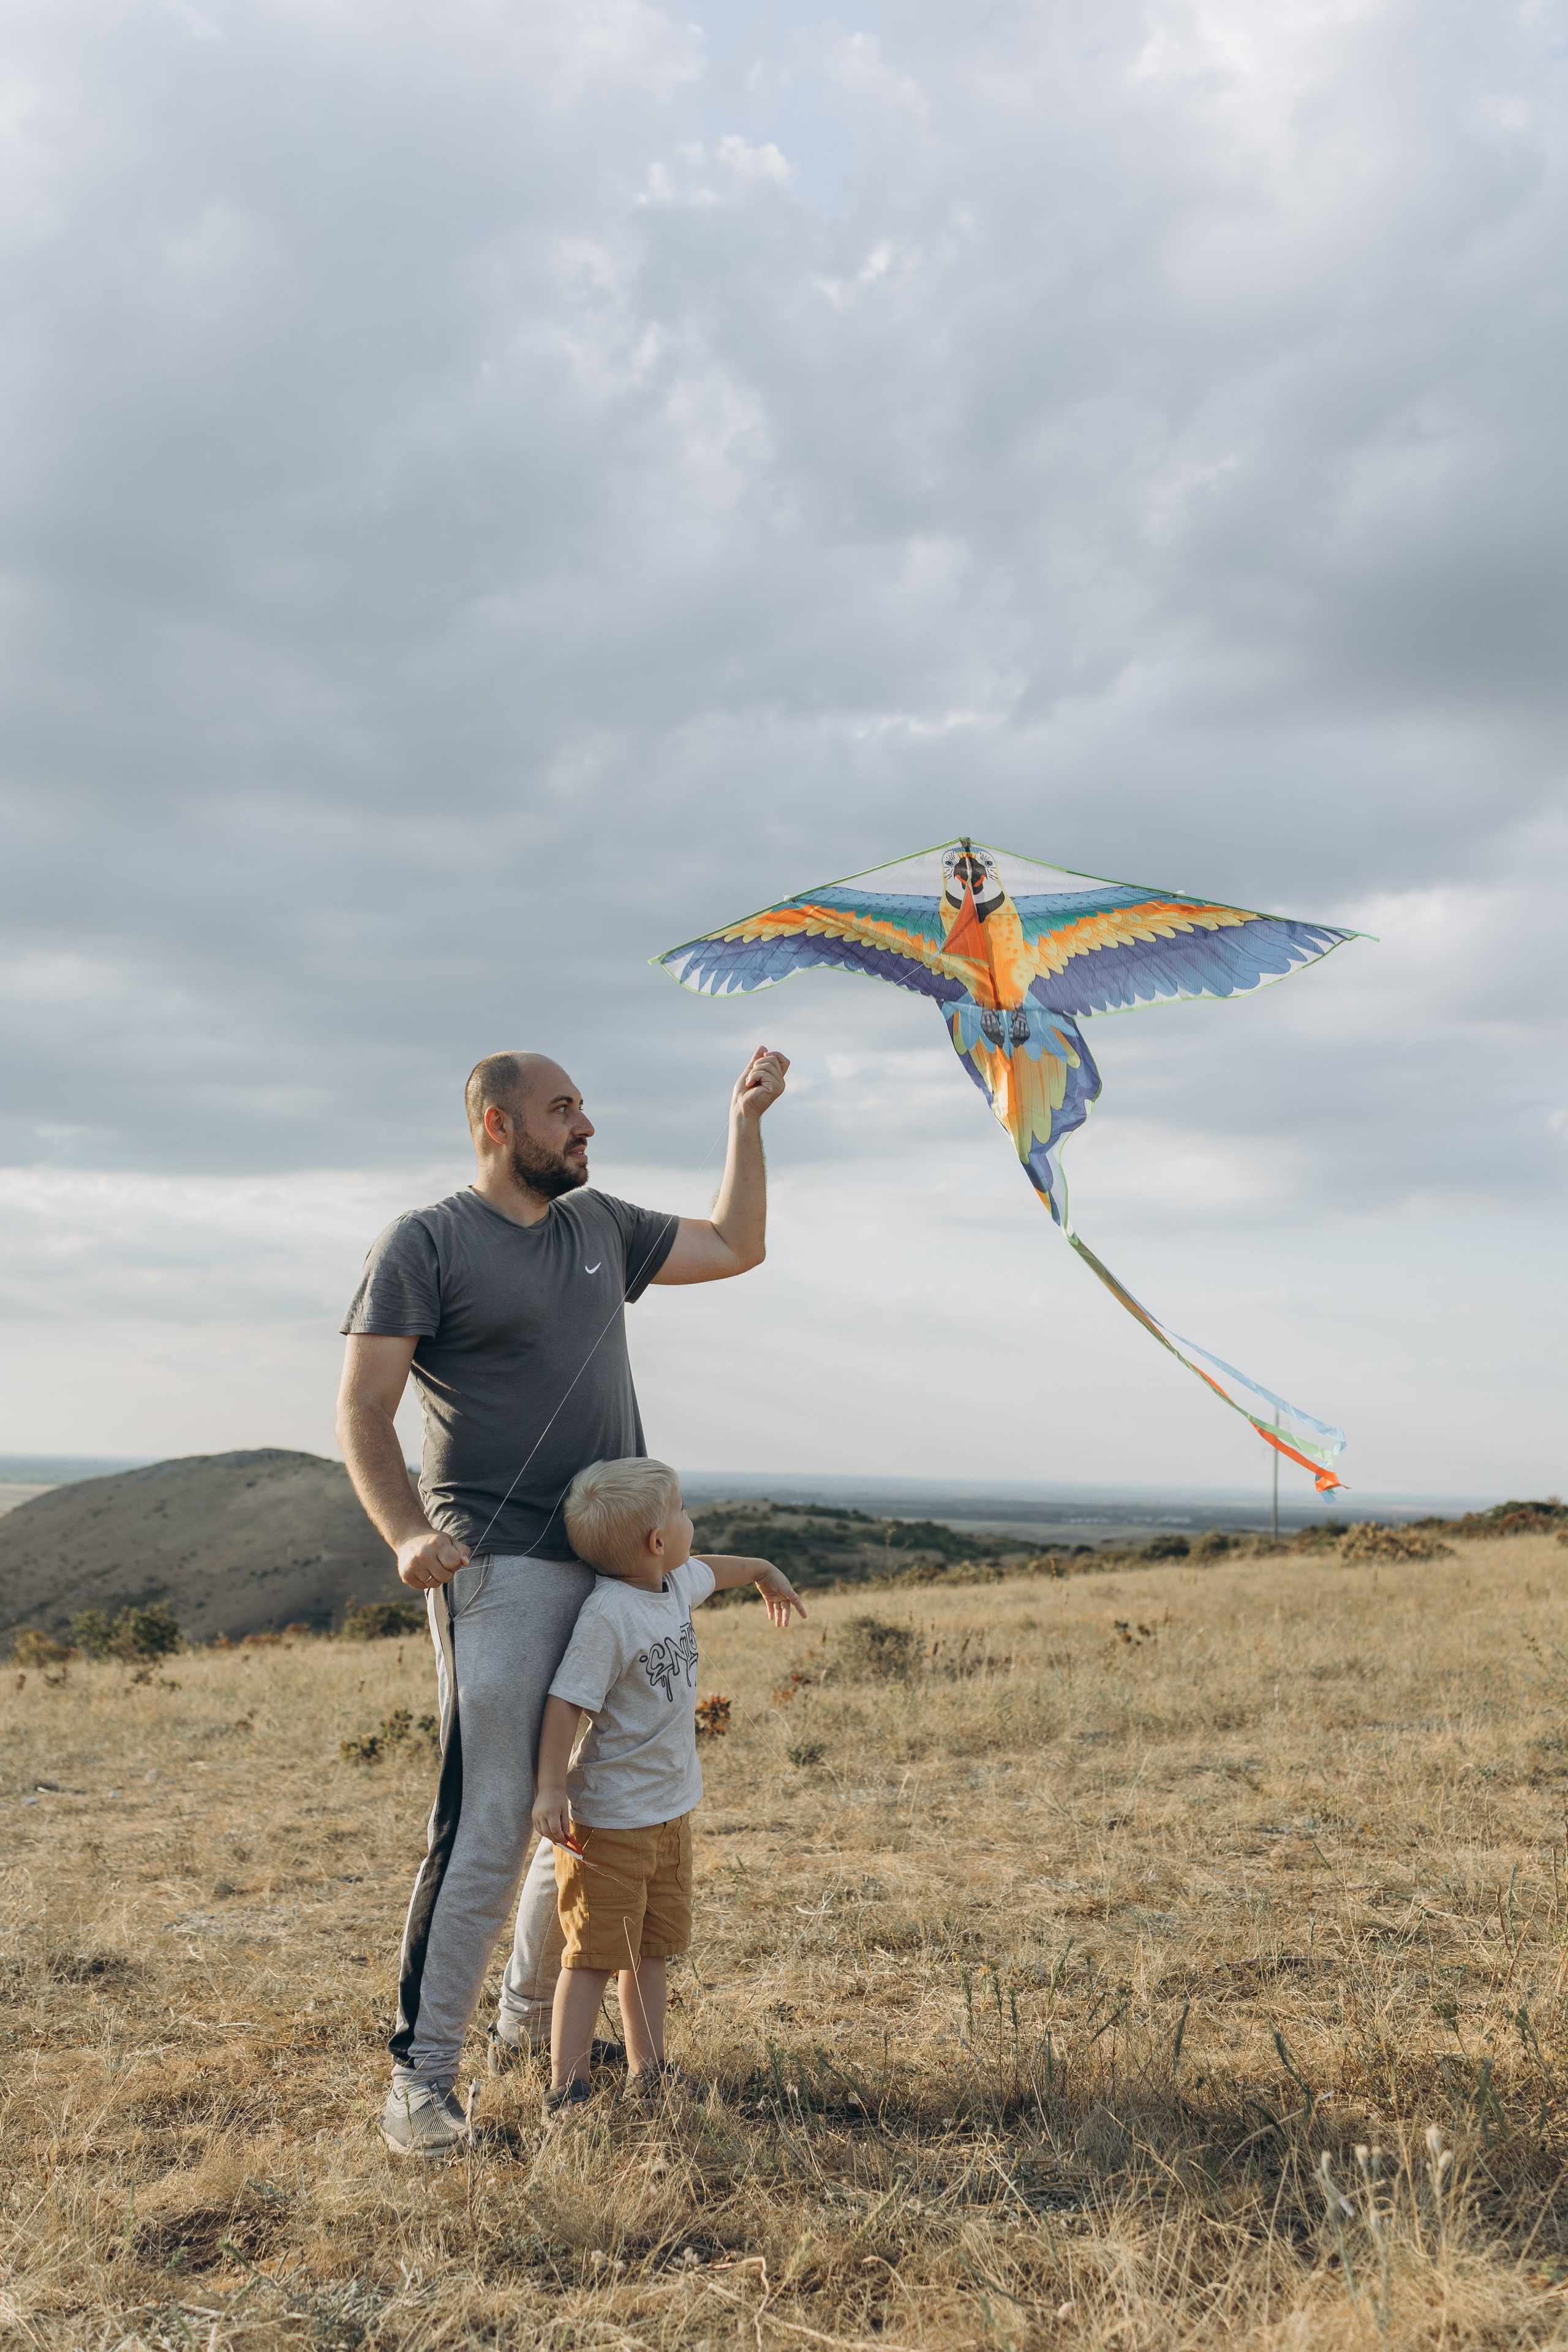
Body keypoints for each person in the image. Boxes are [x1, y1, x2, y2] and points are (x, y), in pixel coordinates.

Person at [336, 1042, 788, 2155]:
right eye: (561, 1110)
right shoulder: (426, 1242)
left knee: (596, 1818)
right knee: (494, 1818)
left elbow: (734, 1246)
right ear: (498, 1125)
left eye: (584, 1107)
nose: (584, 1127)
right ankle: (420, 2085)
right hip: (496, 1567)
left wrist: (747, 1120)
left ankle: (533, 2028)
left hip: (616, 1567)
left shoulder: (604, 1228)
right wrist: (405, 1534)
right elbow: (364, 1405)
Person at [532, 1456, 805, 2123]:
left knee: (650, 1951)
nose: (692, 1522)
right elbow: (565, 1702)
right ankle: (566, 2094)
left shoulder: (673, 1585)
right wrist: (549, 1789)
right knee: (595, 1956)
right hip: (611, 1819)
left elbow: (725, 1567)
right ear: (657, 1542)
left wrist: (766, 1572)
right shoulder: (609, 1616)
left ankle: (648, 2072)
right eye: (682, 1513)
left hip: (668, 1812)